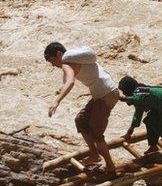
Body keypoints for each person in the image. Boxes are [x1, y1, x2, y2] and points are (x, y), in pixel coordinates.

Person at [44, 43, 119, 172]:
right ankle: (94, 155)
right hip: (102, 95)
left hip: (106, 95)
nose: (53, 65)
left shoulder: (66, 63)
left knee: (97, 133)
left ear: (58, 54)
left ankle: (110, 165)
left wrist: (57, 101)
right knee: (81, 120)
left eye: (52, 60)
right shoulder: (76, 59)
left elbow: (70, 82)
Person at [119, 76, 162, 157]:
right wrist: (130, 131)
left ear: (128, 89)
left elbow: (136, 99)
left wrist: (124, 99)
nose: (124, 93)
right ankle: (153, 146)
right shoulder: (139, 91)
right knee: (149, 121)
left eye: (124, 91)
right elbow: (138, 114)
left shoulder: (139, 93)